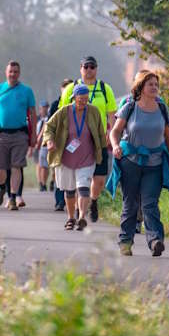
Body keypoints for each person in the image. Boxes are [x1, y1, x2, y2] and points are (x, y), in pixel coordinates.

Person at [108, 70, 169, 256]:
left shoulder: (162, 108)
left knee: (150, 204)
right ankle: (125, 241)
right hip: (130, 161)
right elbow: (115, 132)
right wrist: (115, 146)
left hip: (155, 164)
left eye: (156, 84)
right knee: (130, 204)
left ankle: (155, 240)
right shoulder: (130, 107)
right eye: (150, 84)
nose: (154, 87)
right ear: (141, 87)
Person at [59, 56, 117, 222]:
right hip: (76, 141)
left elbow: (112, 114)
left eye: (92, 67)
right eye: (86, 66)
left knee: (99, 179)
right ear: (81, 68)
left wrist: (110, 133)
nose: (89, 70)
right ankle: (80, 208)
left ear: (96, 69)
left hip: (98, 140)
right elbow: (63, 113)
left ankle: (93, 200)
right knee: (78, 177)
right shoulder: (71, 88)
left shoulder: (105, 89)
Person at [43, 84, 107, 230]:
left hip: (86, 158)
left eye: (86, 99)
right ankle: (71, 218)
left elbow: (100, 132)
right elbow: (49, 127)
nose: (83, 102)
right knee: (70, 191)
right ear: (74, 98)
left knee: (84, 188)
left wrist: (103, 149)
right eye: (80, 99)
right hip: (65, 159)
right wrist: (50, 141)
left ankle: (82, 217)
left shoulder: (93, 111)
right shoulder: (63, 112)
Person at [0, 61, 37, 211]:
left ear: (19, 73)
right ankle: (2, 188)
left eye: (15, 72)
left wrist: (33, 134)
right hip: (1, 134)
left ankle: (13, 197)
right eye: (10, 71)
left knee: (16, 166)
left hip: (20, 134)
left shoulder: (27, 91)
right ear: (6, 72)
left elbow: (33, 114)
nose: (13, 74)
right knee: (0, 169)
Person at [48, 79, 74, 211]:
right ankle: (59, 201)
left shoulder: (78, 104)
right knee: (58, 173)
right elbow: (50, 124)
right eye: (65, 87)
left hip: (74, 144)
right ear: (61, 88)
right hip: (59, 143)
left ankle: (71, 201)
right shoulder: (55, 105)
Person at [35, 101, 50, 191]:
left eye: (45, 108)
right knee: (39, 165)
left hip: (44, 143)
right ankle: (40, 182)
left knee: (44, 165)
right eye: (42, 108)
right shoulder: (37, 119)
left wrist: (39, 139)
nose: (43, 110)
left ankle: (44, 183)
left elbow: (44, 129)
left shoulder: (49, 118)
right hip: (36, 144)